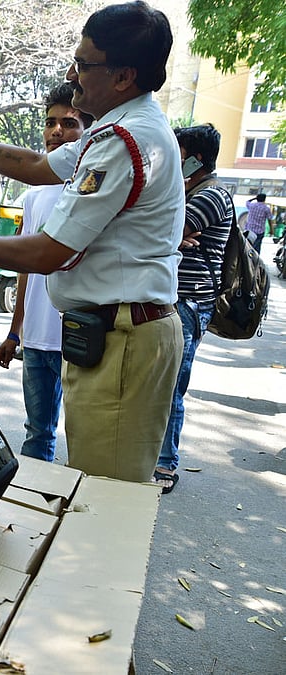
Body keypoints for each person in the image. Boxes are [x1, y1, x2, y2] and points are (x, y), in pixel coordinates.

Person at [0, 0, 185, 483]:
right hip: (108, 336)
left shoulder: (124, 140)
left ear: (124, 76)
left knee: (105, 501)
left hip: (124, 340)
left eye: (83, 64)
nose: (73, 73)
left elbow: (49, 252)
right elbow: (36, 167)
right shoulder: (115, 129)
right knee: (96, 487)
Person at [0, 83, 93, 463]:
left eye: (69, 123)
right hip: (36, 339)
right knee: (38, 434)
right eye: (50, 122)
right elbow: (25, 271)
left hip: (80, 338)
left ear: (88, 131)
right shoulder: (34, 195)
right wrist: (14, 331)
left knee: (85, 441)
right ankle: (34, 514)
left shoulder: (92, 189)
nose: (56, 132)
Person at [153, 124, 233, 494]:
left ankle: (166, 463)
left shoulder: (211, 195)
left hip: (189, 303)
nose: (173, 160)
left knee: (172, 385)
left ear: (195, 160)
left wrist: (171, 235)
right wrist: (171, 237)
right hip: (177, 299)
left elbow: (164, 229)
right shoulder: (194, 191)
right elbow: (167, 233)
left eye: (178, 154)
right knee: (161, 382)